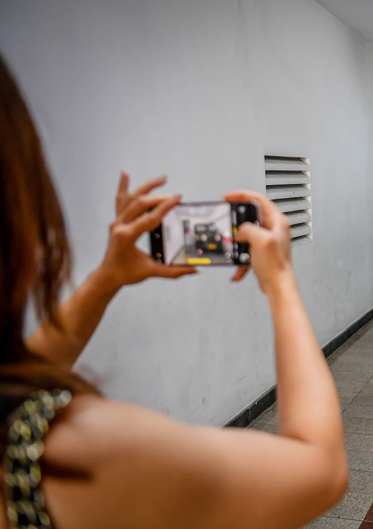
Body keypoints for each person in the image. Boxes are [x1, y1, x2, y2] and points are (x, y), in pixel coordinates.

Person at [0, 56, 347, 529]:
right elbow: (321, 471)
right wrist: (281, 281)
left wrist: (107, 278)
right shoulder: (72, 454)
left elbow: (27, 367)